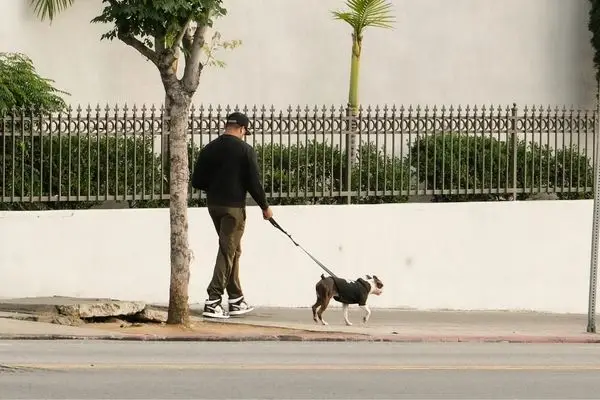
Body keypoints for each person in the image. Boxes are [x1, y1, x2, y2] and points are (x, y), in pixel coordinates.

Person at [191, 111, 273, 319]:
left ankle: (236, 298)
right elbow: (254, 183)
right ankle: (213, 300)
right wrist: (265, 206)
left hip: (214, 205)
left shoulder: (209, 149)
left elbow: (197, 181)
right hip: (234, 208)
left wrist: (216, 185)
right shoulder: (245, 151)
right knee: (227, 250)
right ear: (243, 129)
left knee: (233, 249)